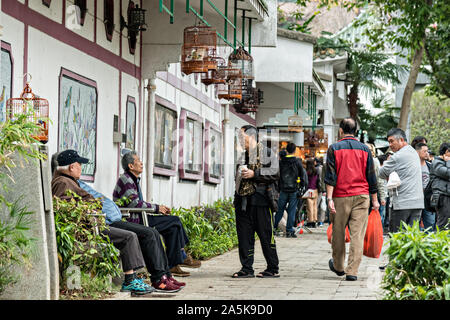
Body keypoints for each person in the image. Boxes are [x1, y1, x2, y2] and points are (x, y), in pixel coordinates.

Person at [52, 150, 184, 293]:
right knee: (132, 236)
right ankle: (135, 280)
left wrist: (95, 206)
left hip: (100, 221)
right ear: (71, 167)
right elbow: (65, 209)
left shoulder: (70, 181)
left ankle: (162, 276)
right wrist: (93, 207)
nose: (81, 168)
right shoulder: (62, 182)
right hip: (92, 226)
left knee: (151, 232)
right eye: (79, 165)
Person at [113, 150, 201, 277]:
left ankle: (174, 263)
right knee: (174, 221)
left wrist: (156, 208)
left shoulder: (133, 179)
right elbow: (134, 204)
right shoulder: (126, 179)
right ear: (131, 166)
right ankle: (181, 256)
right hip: (134, 220)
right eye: (138, 161)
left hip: (140, 216)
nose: (142, 163)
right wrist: (156, 208)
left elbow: (137, 203)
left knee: (173, 225)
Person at [324, 117, 379, 281]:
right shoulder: (365, 149)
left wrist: (329, 198)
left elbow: (330, 176)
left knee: (338, 232)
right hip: (362, 197)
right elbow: (372, 177)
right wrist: (375, 200)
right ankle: (352, 271)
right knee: (357, 235)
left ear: (341, 130)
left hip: (340, 197)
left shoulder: (334, 148)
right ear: (356, 131)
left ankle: (339, 267)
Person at [232, 125, 280, 278]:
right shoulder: (243, 155)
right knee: (244, 236)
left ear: (251, 137)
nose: (240, 140)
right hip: (243, 201)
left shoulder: (267, 153)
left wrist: (255, 173)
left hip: (262, 200)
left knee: (266, 236)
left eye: (242, 137)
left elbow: (275, 172)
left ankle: (272, 268)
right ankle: (246, 268)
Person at [379, 128, 424, 233]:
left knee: (397, 239)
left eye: (392, 141)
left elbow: (381, 173)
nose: (390, 144)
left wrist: (386, 162)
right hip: (417, 203)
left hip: (402, 204)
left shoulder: (397, 157)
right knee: (411, 240)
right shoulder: (413, 152)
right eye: (388, 142)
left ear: (401, 140)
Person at [273, 142, 307, 238]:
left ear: (286, 150)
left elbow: (277, 176)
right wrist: (301, 186)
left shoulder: (281, 162)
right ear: (295, 151)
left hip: (283, 189)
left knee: (280, 210)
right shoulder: (297, 162)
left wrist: (278, 188)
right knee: (292, 210)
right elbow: (302, 175)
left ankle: (274, 227)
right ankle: (289, 230)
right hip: (294, 190)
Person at [414, 142, 436, 232]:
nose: (427, 153)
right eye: (425, 151)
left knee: (430, 224)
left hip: (427, 200)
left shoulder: (430, 166)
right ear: (418, 152)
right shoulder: (412, 166)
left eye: (427, 151)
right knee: (415, 224)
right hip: (415, 199)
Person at [430, 142, 450, 230]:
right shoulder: (437, 163)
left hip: (445, 195)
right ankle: (439, 242)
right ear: (446, 152)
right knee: (443, 222)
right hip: (441, 196)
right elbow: (447, 173)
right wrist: (449, 161)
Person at [305, 158, 321, 228]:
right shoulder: (316, 171)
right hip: (315, 190)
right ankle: (315, 220)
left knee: (309, 207)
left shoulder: (307, 172)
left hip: (309, 190)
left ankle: (310, 221)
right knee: (315, 206)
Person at [376, 153, 388, 228]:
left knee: (380, 215)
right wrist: (383, 197)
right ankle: (379, 231)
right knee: (381, 215)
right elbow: (381, 184)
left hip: (379, 195)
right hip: (380, 195)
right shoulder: (381, 170)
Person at [315, 157, 326, 227]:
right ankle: (320, 221)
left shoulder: (318, 169)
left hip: (320, 189)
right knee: (322, 205)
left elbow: (320, 180)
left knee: (319, 205)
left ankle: (319, 220)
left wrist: (323, 189)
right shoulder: (322, 167)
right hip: (322, 189)